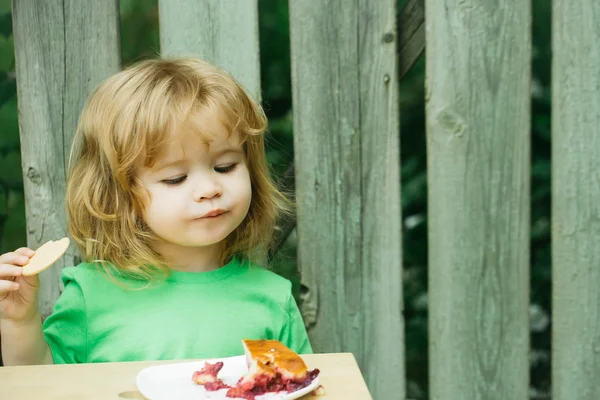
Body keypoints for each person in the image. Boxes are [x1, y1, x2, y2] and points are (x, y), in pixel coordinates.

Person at [0, 57, 311, 365]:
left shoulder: (273, 299)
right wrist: (19, 323)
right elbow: (40, 385)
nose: (209, 188)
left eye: (225, 166)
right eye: (176, 178)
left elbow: (303, 388)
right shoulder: (91, 295)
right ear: (121, 195)